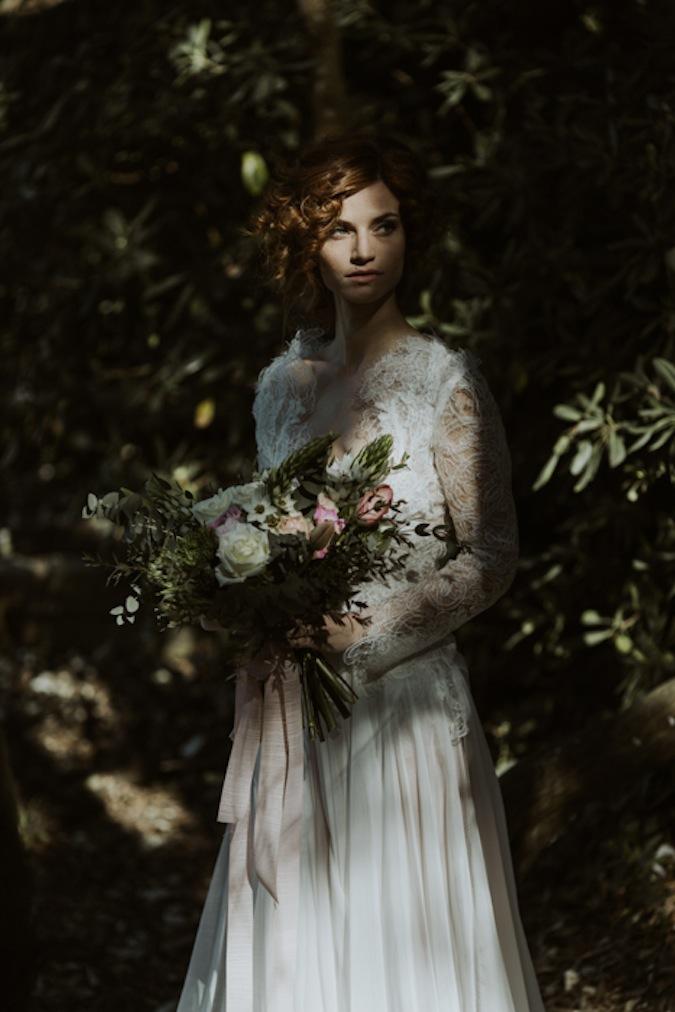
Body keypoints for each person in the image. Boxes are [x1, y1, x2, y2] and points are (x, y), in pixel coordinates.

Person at [175, 131, 547, 1012]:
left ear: (407, 238)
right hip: (295, 717)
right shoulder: (283, 387)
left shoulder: (443, 381)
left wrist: (364, 637)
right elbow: (265, 531)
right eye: (340, 229)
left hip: (405, 720)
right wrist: (245, 600)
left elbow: (492, 553)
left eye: (382, 227)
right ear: (309, 240)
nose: (364, 249)